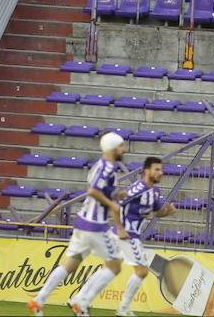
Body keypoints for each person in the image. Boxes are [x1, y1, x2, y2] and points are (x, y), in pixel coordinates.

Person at [27, 132, 128, 317]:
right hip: (95, 224)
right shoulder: (108, 168)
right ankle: (82, 302)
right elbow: (94, 191)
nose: (124, 149)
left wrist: (116, 195)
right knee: (115, 265)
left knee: (70, 265)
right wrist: (113, 204)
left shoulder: (98, 166)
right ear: (113, 148)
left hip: (82, 222)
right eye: (121, 146)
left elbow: (100, 190)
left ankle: (39, 300)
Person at [112, 157, 175, 317]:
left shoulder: (154, 191)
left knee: (111, 270)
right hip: (126, 234)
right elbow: (116, 204)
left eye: (161, 170)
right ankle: (123, 308)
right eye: (157, 169)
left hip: (133, 236)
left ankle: (82, 299)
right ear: (146, 171)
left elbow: (156, 212)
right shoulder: (138, 188)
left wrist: (167, 212)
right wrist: (120, 228)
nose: (161, 173)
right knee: (142, 271)